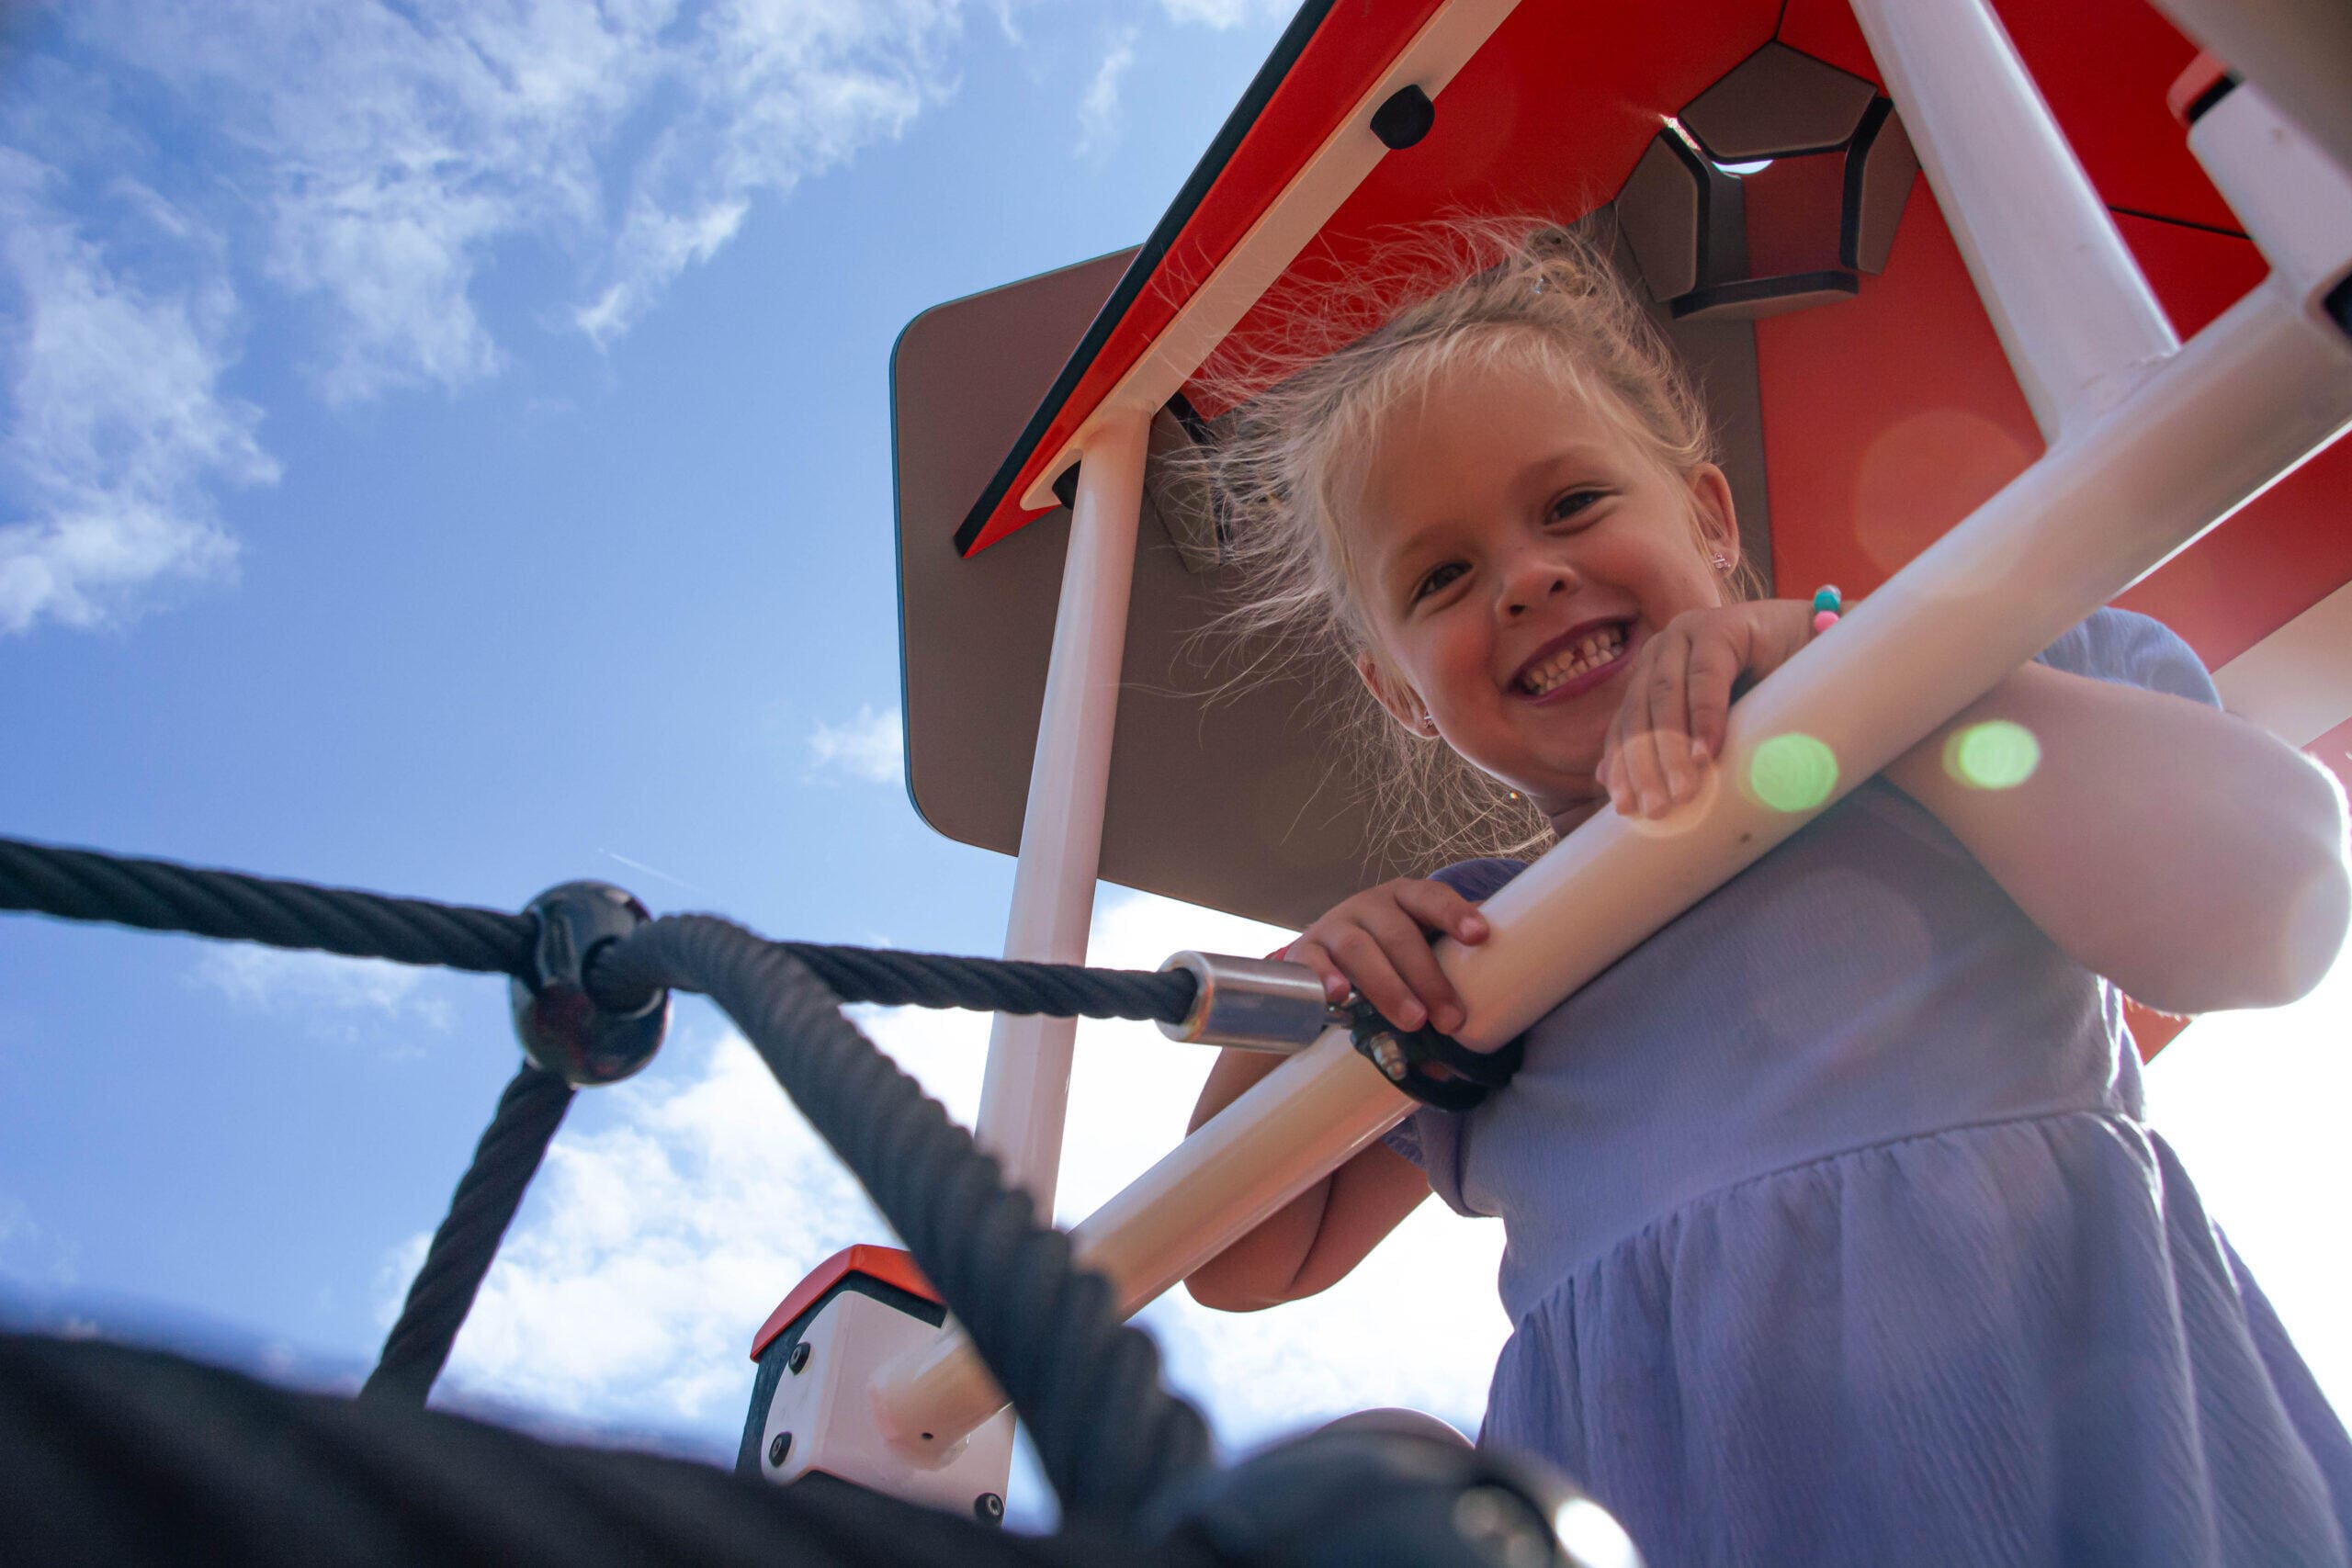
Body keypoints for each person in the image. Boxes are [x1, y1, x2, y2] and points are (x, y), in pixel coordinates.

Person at [1182, 222, 2352, 1566]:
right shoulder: (1475, 943)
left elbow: (2265, 909)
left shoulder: (1957, 690)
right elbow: (1248, 1254)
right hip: (1675, 1487)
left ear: (1712, 520)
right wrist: (1332, 978)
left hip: (2054, 1411)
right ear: (1399, 690)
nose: (1527, 579)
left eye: (1570, 505)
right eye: (1442, 577)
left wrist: (1861, 676)